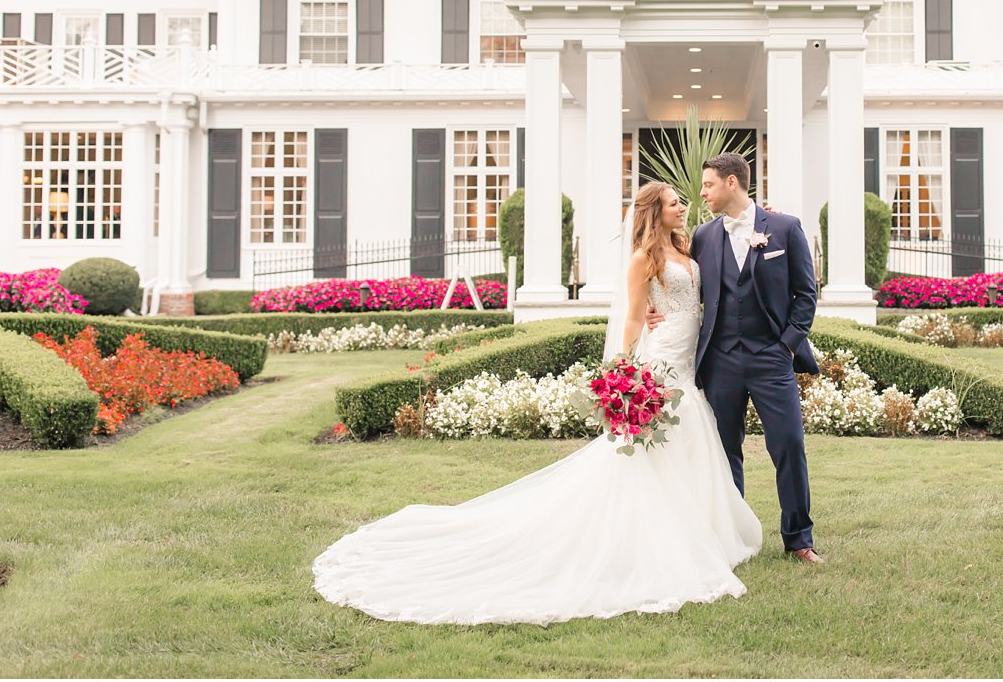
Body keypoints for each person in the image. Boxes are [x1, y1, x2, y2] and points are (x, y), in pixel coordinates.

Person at [311, 181, 761, 625]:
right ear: (652, 212)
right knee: (655, 455)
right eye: (672, 203)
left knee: (689, 447)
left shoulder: (686, 246)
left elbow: (721, 259)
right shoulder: (644, 258)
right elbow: (630, 317)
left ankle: (699, 535)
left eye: (682, 201)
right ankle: (658, 545)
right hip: (661, 360)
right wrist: (623, 375)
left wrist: (760, 215)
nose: (682, 206)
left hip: (688, 363)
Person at [682, 152, 823, 562]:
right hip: (720, 359)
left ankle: (799, 539)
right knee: (725, 451)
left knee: (789, 444)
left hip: (770, 358)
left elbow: (805, 294)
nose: (702, 191)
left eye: (708, 184)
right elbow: (686, 287)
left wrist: (786, 346)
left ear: (731, 183)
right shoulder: (703, 236)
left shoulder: (784, 227)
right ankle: (730, 537)